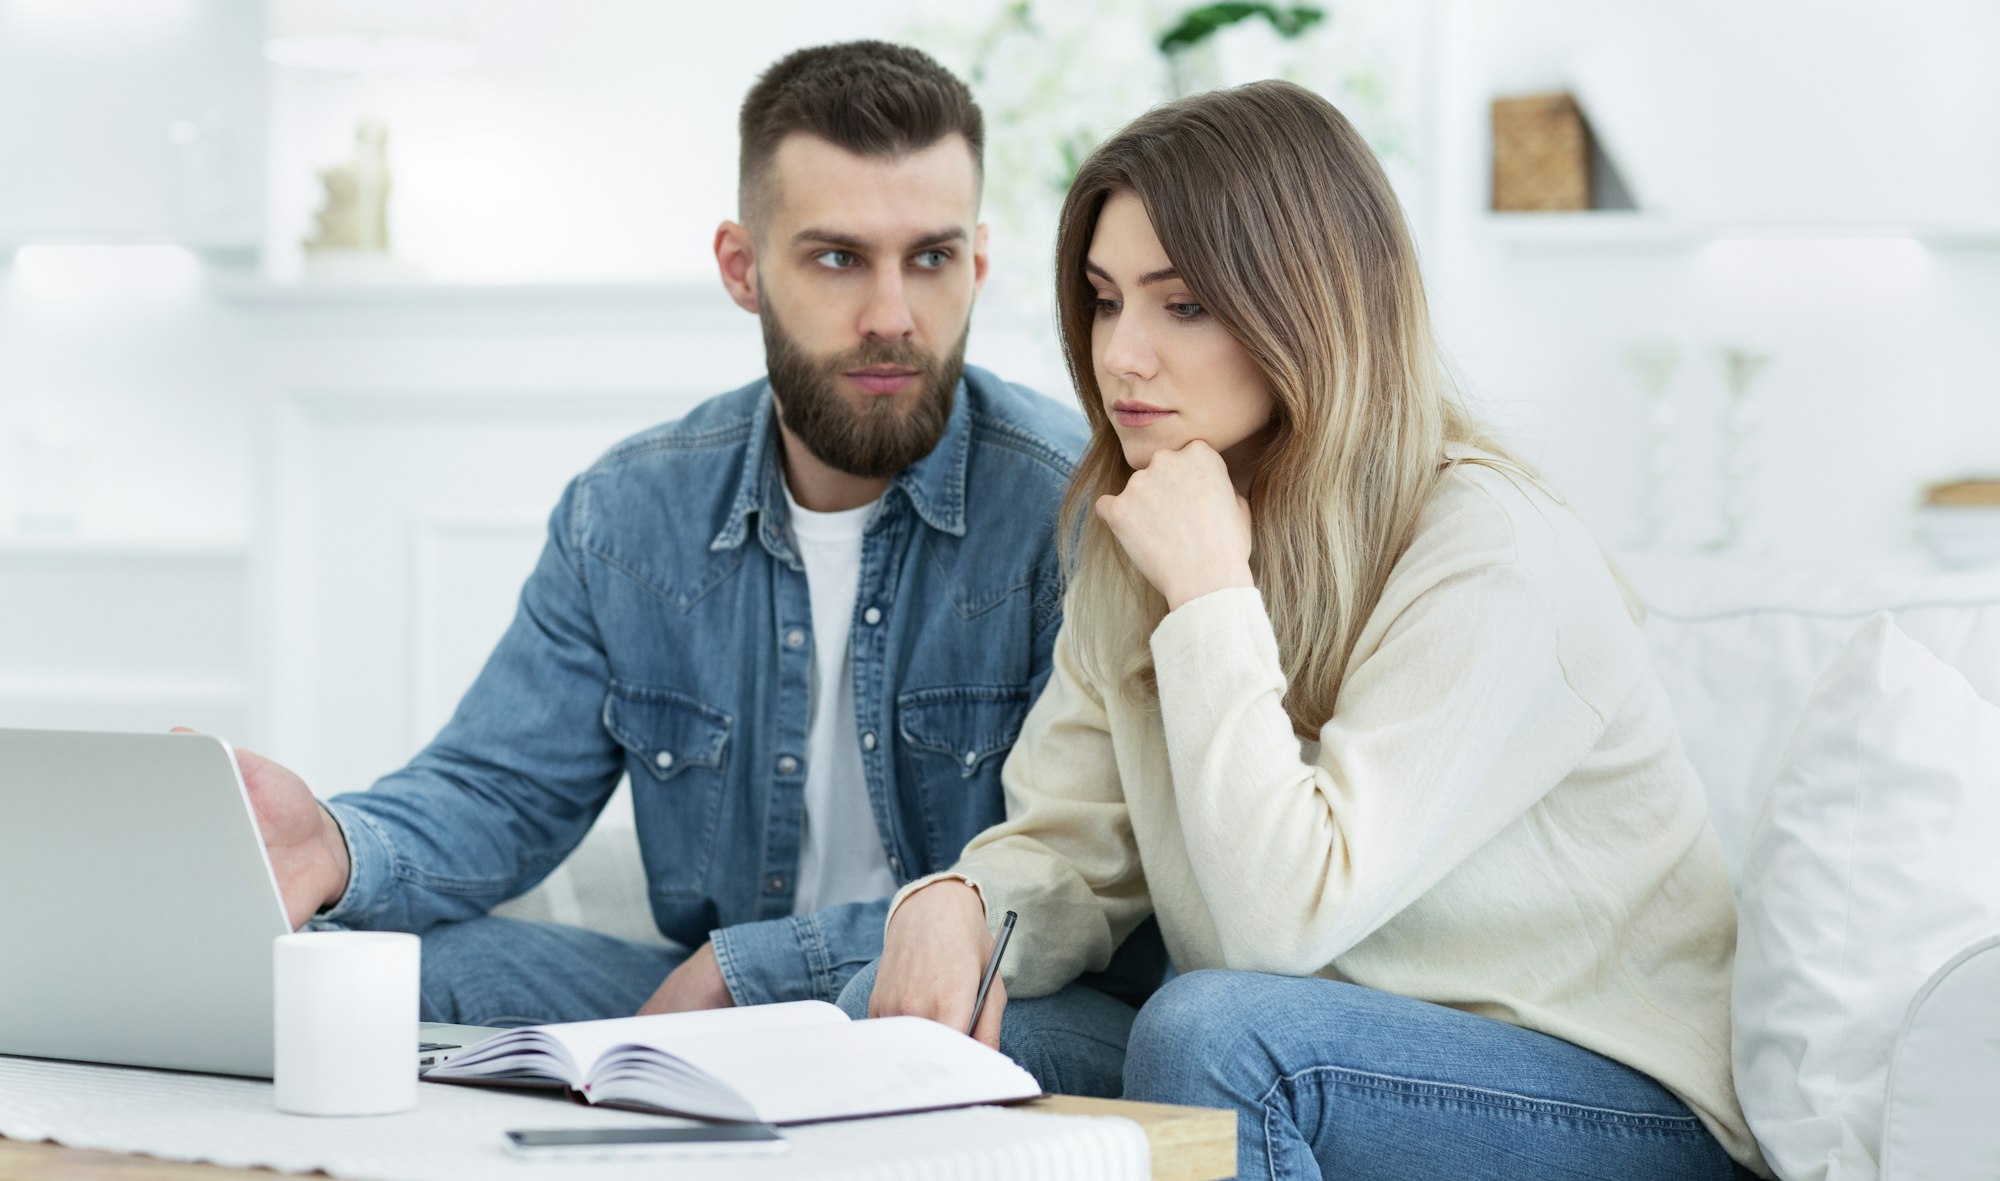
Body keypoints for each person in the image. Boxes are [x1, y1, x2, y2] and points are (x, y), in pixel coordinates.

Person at [853, 81, 1770, 1179]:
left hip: (1611, 1098)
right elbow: (1069, 847)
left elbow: (1279, 923)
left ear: (1309, 307)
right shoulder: (1149, 523)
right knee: (957, 1040)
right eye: (1103, 300)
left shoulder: (1491, 552)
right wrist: (958, 901)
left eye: (1181, 304)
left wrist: (1207, 598)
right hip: (1324, 1045)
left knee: (1211, 1034)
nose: (1121, 355)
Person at [219, 41, 1158, 1082]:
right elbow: (502, 788)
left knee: (886, 1021)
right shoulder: (627, 512)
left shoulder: (1071, 505)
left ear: (977, 265)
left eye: (929, 258)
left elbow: (1070, 867)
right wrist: (331, 845)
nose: (892, 315)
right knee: (368, 974)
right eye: (838, 257)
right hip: (714, 988)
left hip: (979, 998)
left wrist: (744, 964)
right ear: (740, 267)